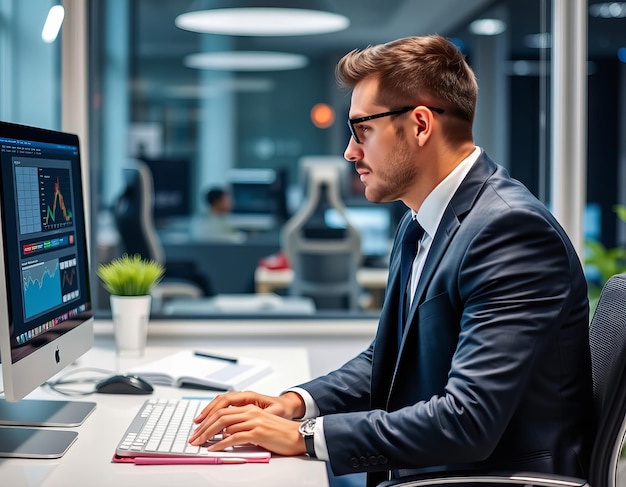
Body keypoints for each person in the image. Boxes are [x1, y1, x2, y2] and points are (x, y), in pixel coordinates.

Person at [188, 35, 593, 487]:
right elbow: (393, 358)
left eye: (363, 130)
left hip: (487, 478)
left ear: (420, 125)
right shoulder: (423, 219)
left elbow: (468, 420)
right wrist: (297, 403)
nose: (349, 152)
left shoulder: (510, 231)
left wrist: (304, 436)